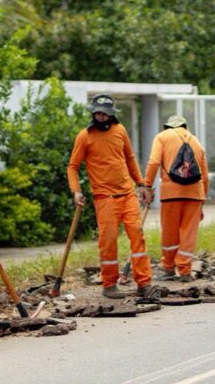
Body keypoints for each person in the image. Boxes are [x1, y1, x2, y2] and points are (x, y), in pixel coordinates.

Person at [66, 94, 154, 300]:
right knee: (108, 241)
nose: (101, 116)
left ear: (111, 114)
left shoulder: (120, 131)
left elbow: (130, 159)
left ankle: (144, 283)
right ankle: (109, 284)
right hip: (104, 197)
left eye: (105, 113)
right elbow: (73, 167)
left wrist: (141, 183)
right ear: (93, 113)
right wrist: (76, 190)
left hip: (127, 193)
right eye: (97, 113)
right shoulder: (84, 136)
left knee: (137, 237)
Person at [142, 115, 210, 282]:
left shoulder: (162, 137)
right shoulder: (196, 141)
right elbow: (205, 176)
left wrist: (147, 185)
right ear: (185, 126)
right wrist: (202, 201)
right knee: (189, 232)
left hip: (171, 193)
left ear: (167, 127)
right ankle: (185, 270)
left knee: (170, 231)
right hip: (195, 193)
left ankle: (168, 267)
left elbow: (153, 162)